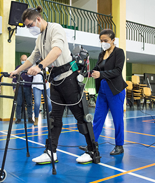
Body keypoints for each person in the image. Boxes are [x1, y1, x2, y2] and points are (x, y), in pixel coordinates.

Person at [10, 6, 98, 164]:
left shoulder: (56, 28)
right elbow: (32, 57)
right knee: (54, 118)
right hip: (56, 81)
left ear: (38, 19)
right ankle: (51, 151)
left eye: (30, 25)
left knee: (81, 117)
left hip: (69, 78)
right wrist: (17, 71)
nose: (29, 28)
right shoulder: (39, 38)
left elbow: (56, 51)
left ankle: (92, 151)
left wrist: (40, 66)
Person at [80, 29, 127, 155]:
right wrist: (83, 73)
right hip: (102, 89)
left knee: (117, 119)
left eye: (105, 40)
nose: (103, 43)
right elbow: (96, 70)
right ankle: (91, 144)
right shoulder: (102, 54)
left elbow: (117, 71)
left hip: (115, 90)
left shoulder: (119, 52)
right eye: (101, 41)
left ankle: (119, 145)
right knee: (98, 118)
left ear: (113, 40)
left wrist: (101, 74)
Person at [12, 55, 34, 124]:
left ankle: (30, 118)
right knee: (18, 103)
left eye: (25, 59)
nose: (24, 61)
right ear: (20, 60)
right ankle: (18, 118)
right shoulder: (18, 68)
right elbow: (14, 78)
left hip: (28, 87)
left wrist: (32, 87)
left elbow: (33, 78)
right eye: (23, 59)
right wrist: (14, 87)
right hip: (19, 87)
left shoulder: (30, 68)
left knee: (29, 103)